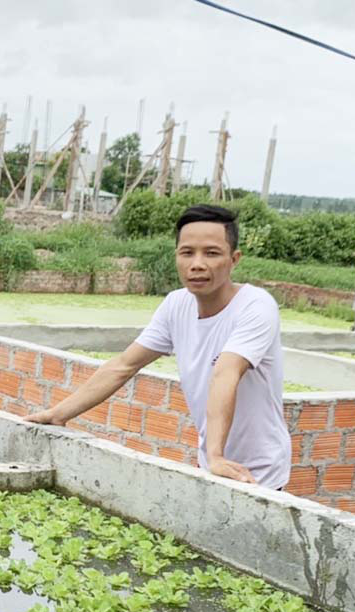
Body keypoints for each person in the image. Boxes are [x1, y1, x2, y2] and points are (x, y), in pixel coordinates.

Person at [24, 204, 290, 489]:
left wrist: (215, 455)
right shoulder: (176, 304)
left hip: (259, 471)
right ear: (176, 256)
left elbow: (226, 372)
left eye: (211, 253)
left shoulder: (256, 306)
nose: (197, 264)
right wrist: (58, 414)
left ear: (234, 259)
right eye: (187, 253)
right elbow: (123, 365)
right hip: (213, 463)